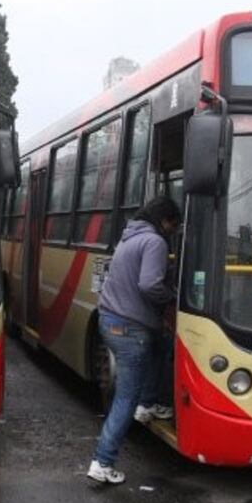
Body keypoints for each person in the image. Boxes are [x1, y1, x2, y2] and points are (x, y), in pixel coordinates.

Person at [87, 195, 181, 485]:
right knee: (125, 398)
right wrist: (173, 298)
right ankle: (102, 462)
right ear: (165, 220)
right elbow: (150, 284)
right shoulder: (155, 242)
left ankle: (150, 402)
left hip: (112, 321)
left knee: (164, 345)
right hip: (131, 330)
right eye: (173, 225)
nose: (173, 231)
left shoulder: (129, 238)